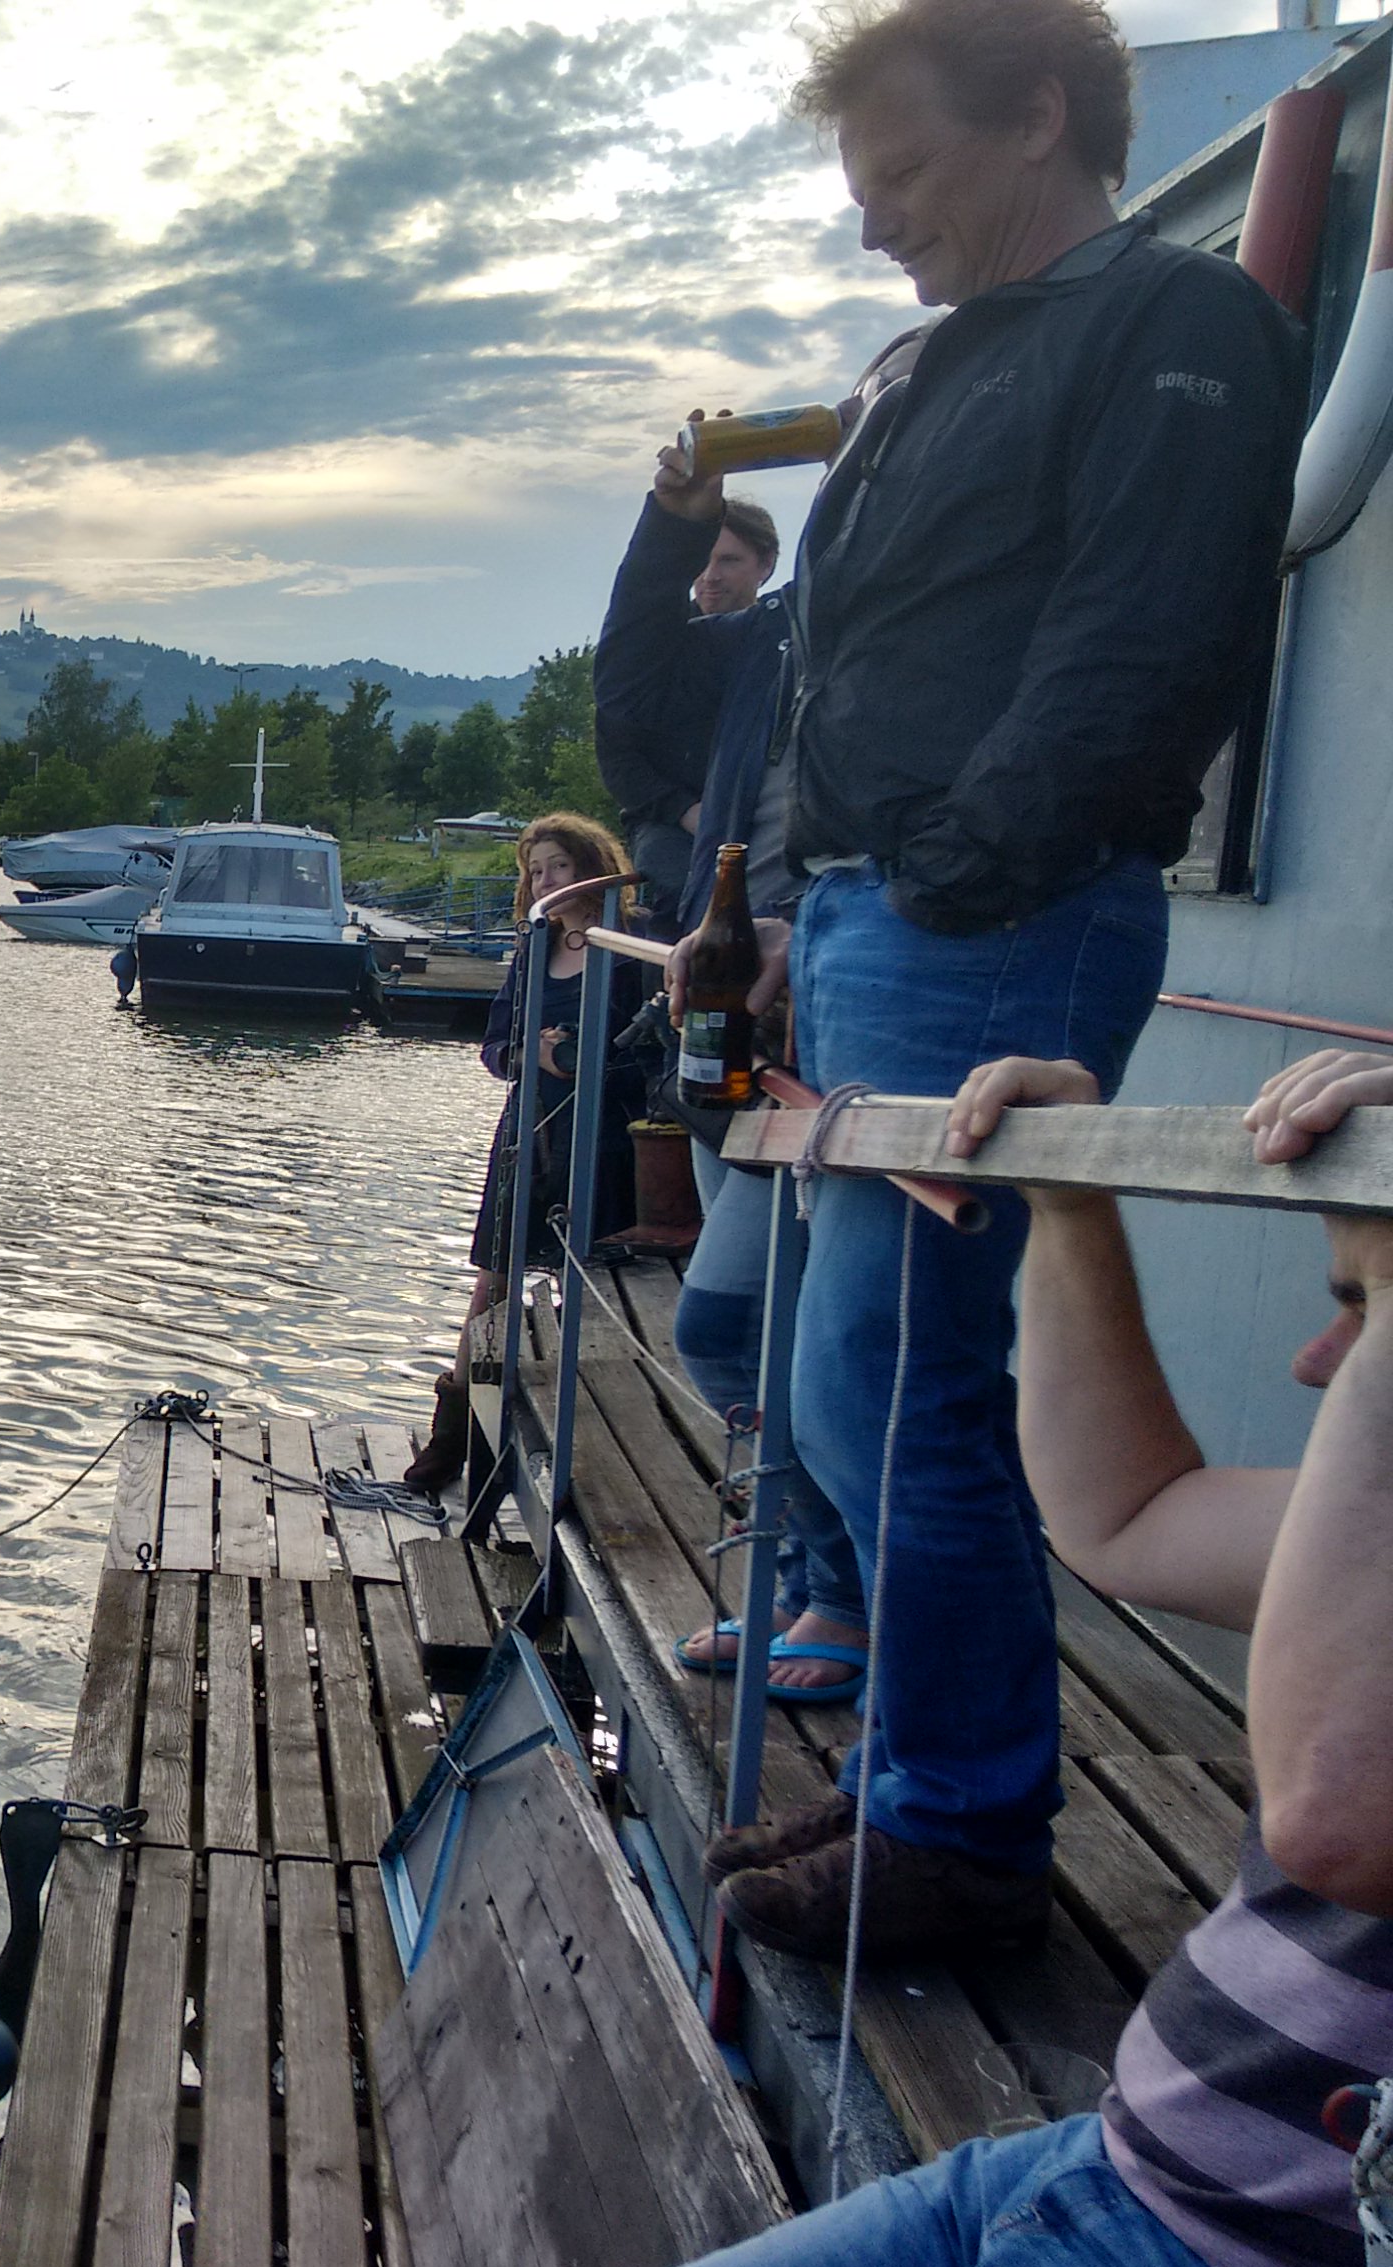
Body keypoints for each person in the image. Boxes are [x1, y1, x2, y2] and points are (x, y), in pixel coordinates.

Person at [666, 0, 1309, 1958]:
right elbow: (845, 671)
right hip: (882, 927)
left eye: (907, 181)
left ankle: (960, 1834)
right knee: (831, 1356)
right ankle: (908, 1786)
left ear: (1042, 111)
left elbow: (1145, 642)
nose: (879, 229)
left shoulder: (1174, 330)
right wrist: (798, 909)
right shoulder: (942, 366)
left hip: (990, 927)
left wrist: (941, 882)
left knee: (901, 1370)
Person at [528, 1046, 1393, 2267]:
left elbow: (1339, 1815)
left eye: (1357, 1312)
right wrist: (1070, 1204)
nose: (1316, 1361)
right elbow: (1128, 1510)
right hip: (1115, 2171)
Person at [600, 418, 886, 1701]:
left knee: (732, 1324)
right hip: (732, 1001)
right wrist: (670, 521)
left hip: (831, 1008)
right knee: (761, 1321)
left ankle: (838, 1589)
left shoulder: (902, 647)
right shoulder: (767, 644)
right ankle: (797, 1574)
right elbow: (633, 688)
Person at [461, 814, 651, 1315]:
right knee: (493, 1272)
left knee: (593, 1277)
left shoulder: (638, 944)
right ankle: (461, 1389)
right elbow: (495, 1045)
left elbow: (657, 1054)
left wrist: (594, 1061)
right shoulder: (533, 951)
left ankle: (586, 1375)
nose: (545, 881)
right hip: (531, 1132)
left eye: (559, 866)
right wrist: (535, 1055)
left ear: (591, 867)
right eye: (536, 871)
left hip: (608, 1135)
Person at [594, 498, 782, 915]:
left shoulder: (783, 646)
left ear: (765, 564)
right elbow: (618, 759)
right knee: (694, 898)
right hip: (670, 824)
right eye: (703, 561)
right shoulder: (655, 649)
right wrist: (685, 810)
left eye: (729, 561)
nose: (711, 577)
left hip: (763, 815)